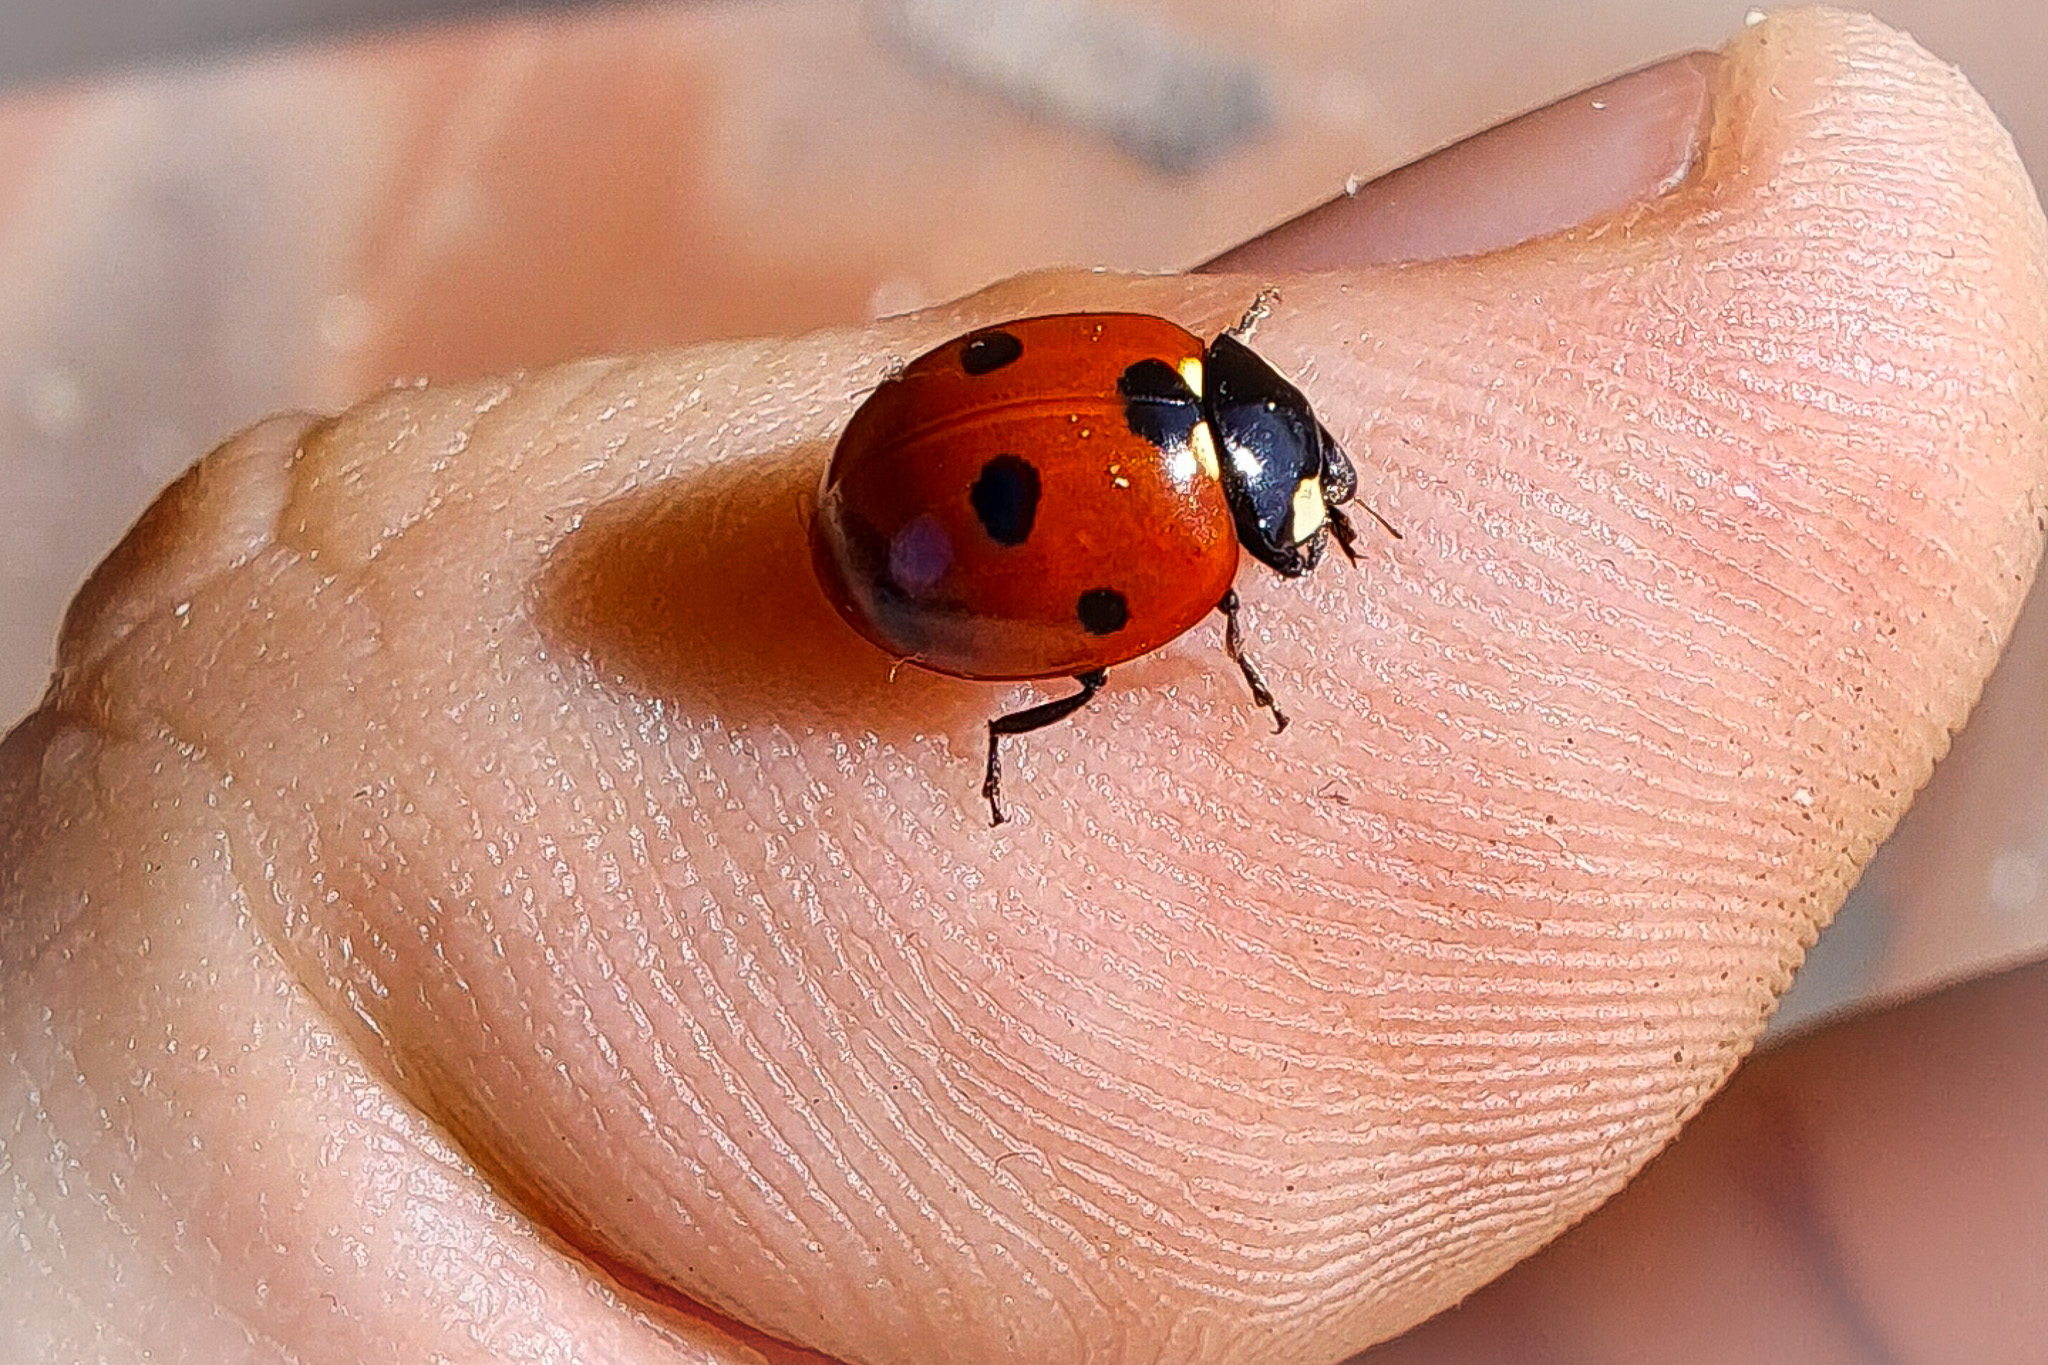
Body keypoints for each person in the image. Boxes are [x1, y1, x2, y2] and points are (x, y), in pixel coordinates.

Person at [2, 9, 2041, 1362]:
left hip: (906, 514)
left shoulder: (1192, 397)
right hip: (892, 563)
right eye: (1310, 495)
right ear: (1271, 467)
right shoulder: (1204, 550)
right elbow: (1157, 580)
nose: (1316, 509)